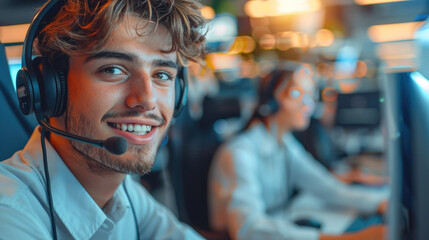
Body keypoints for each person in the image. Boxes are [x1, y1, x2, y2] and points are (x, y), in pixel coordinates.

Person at [0, 0, 207, 239]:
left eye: (162, 74)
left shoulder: (125, 194)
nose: (147, 100)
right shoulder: (10, 214)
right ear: (49, 88)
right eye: (113, 70)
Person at [208, 61, 387, 240]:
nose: (307, 105)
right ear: (270, 101)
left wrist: (381, 203)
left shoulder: (284, 144)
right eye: (295, 94)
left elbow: (328, 188)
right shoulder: (239, 153)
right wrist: (350, 239)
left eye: (309, 95)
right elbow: (248, 230)